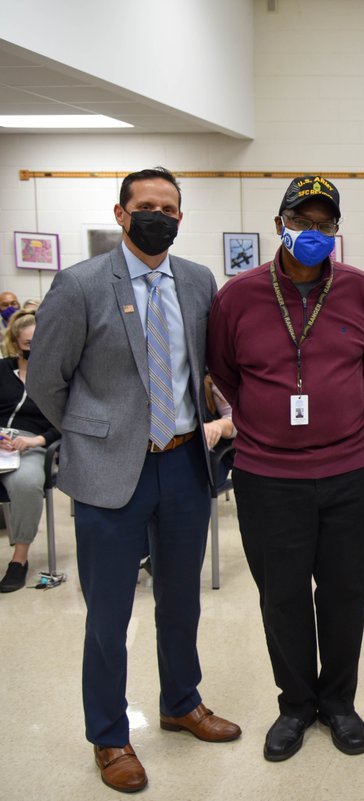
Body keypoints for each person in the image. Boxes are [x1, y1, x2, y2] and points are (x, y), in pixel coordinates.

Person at [26, 168, 240, 793]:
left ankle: (181, 702)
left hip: (183, 463)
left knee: (182, 599)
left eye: (168, 209)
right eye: (145, 206)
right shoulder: (80, 284)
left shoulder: (197, 281)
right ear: (121, 214)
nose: (157, 217)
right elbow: (46, 378)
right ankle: (110, 735)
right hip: (108, 471)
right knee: (109, 613)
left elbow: (203, 367)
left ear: (181, 218)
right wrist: (94, 433)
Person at [208, 175, 364, 761]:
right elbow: (225, 373)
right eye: (301, 221)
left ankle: (338, 703)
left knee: (344, 593)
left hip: (350, 470)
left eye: (324, 223)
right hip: (267, 474)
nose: (313, 232)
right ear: (279, 224)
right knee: (281, 596)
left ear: (337, 230)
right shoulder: (238, 296)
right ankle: (295, 705)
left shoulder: (361, 290)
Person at [0, 312, 60, 592]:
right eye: (27, 344)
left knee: (27, 483)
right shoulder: (2, 369)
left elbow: (63, 422)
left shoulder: (56, 378)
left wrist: (36, 440)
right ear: (15, 344)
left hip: (31, 443)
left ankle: (19, 559)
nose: (34, 349)